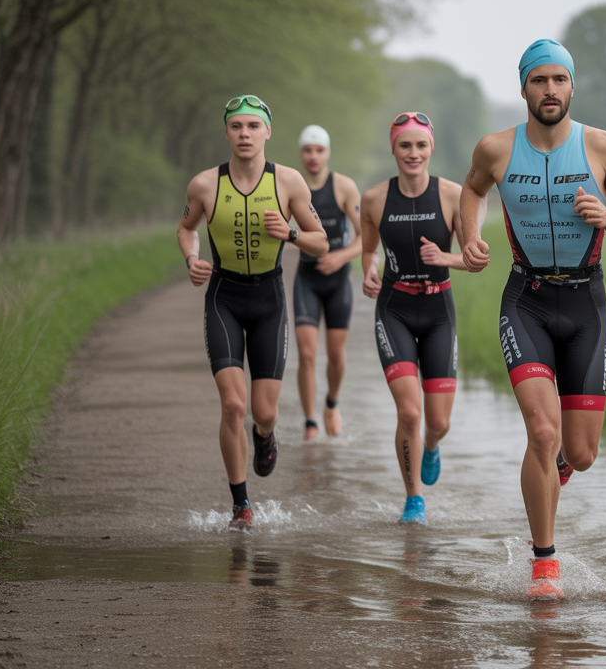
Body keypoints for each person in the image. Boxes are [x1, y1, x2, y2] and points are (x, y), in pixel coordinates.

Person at [459, 39, 606, 599]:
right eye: (539, 80)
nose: (550, 90)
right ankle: (545, 565)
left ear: (572, 86)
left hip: (586, 303)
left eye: (559, 80)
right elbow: (471, 191)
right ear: (523, 87)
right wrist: (470, 237)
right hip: (527, 301)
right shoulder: (496, 148)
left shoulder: (602, 147)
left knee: (581, 453)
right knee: (542, 432)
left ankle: (558, 465)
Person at [177, 95, 328, 532]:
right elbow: (186, 228)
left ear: (267, 132)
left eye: (253, 126)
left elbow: (321, 242)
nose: (245, 134)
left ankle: (264, 434)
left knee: (263, 411)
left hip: (269, 301)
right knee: (233, 405)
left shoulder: (289, 182)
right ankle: (241, 504)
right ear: (226, 132)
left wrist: (291, 233)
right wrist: (192, 259)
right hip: (224, 298)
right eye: (237, 126)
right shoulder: (204, 185)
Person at [359, 112, 466, 524]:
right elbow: (369, 250)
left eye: (421, 145)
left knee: (438, 422)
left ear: (430, 148)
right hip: (395, 310)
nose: (413, 153)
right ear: (394, 149)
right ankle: (413, 499)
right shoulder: (374, 199)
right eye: (405, 145)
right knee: (409, 413)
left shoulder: (452, 195)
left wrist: (445, 258)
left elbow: (475, 258)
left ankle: (431, 447)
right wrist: (369, 270)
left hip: (439, 312)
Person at [292, 124, 363, 441]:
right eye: (308, 150)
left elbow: (365, 236)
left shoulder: (344, 187)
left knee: (335, 355)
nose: (313, 156)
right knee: (307, 354)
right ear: (301, 153)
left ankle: (331, 404)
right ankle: (310, 422)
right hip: (306, 279)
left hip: (338, 281)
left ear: (327, 153)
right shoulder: (290, 185)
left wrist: (340, 257)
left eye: (319, 150)